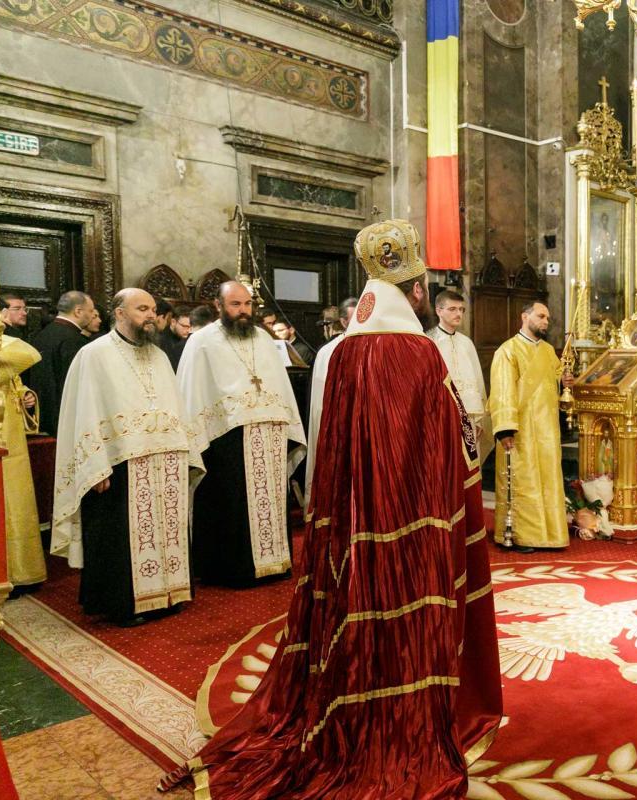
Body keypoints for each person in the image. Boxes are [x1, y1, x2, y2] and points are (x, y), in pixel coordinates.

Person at [166, 219, 501, 798]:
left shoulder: (337, 353)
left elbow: (323, 443)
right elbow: (455, 445)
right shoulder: (423, 355)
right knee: (410, 619)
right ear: (416, 290)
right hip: (412, 526)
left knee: (352, 616)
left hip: (348, 524)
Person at [50, 289, 204, 625]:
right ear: (119, 313)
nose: (150, 315)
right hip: (120, 466)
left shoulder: (160, 357)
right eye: (141, 309)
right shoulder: (94, 355)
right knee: (119, 539)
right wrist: (95, 465)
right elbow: (85, 413)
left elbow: (175, 407)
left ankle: (168, 594)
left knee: (169, 530)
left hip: (166, 463)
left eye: (152, 309)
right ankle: (125, 604)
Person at [177, 281, 305, 587]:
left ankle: (274, 562)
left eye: (248, 304)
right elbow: (192, 392)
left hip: (269, 434)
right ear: (219, 306)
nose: (244, 311)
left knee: (272, 499)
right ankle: (232, 569)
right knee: (231, 504)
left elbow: (279, 385)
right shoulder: (202, 342)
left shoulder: (263, 339)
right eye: (236, 304)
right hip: (226, 439)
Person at [489, 301, 573, 553]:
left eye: (548, 317)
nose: (546, 321)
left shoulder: (548, 351)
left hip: (547, 429)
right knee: (523, 481)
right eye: (541, 316)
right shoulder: (508, 351)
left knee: (547, 481)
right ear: (524, 316)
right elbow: (502, 392)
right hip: (520, 429)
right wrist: (505, 429)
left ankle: (550, 534)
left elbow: (554, 384)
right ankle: (521, 535)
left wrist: (565, 381)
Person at [0, 328, 42, 596]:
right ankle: (4, 572)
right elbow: (27, 353)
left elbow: (12, 377)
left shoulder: (3, 351)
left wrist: (25, 394)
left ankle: (23, 570)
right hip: (0, 437)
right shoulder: (3, 348)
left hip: (12, 437)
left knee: (18, 502)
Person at [429, 290, 492, 463]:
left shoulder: (466, 343)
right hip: (442, 415)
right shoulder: (429, 342)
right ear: (438, 310)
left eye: (461, 310)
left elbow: (478, 381)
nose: (458, 314)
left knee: (470, 464)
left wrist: (480, 418)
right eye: (452, 309)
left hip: (470, 415)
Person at [27, 289, 93, 435]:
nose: (93, 315)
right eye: (91, 310)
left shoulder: (43, 334)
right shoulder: (74, 340)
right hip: (65, 417)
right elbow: (76, 384)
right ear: (78, 311)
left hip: (42, 415)